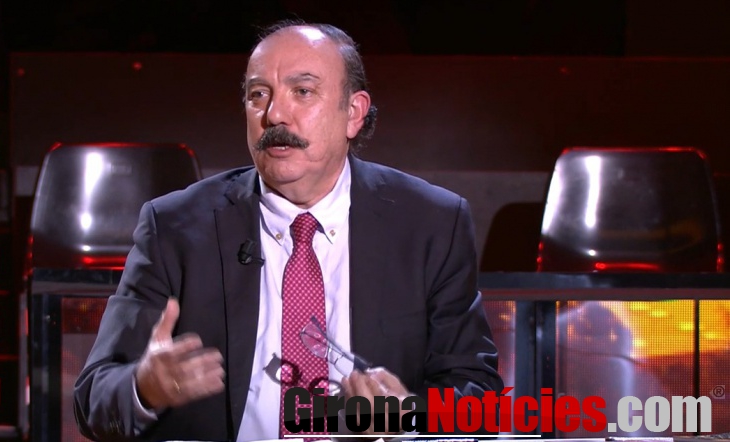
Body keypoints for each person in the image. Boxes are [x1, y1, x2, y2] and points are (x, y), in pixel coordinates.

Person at [73, 19, 502, 441]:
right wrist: (144, 389)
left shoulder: (430, 223)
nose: (274, 114)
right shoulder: (175, 227)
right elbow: (93, 402)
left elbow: (477, 396)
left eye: (303, 92)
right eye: (258, 94)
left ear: (353, 113)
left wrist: (405, 419)